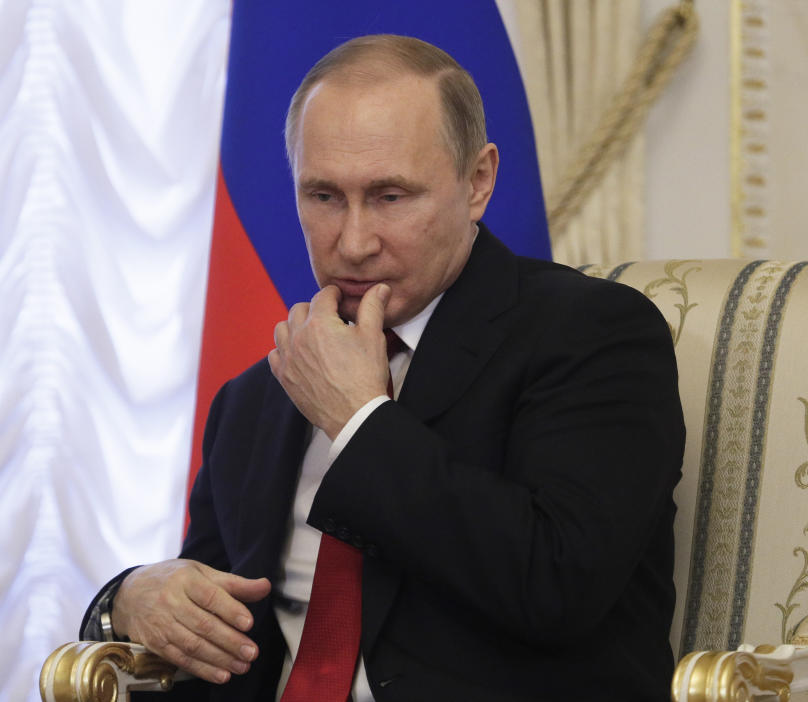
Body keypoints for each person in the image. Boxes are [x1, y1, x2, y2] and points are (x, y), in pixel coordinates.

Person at [81, 34, 685, 701]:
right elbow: (211, 625)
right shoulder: (255, 397)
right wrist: (128, 597)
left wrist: (359, 421)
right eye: (324, 197)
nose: (354, 241)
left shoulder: (592, 334)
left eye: (390, 196)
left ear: (478, 181)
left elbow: (556, 587)